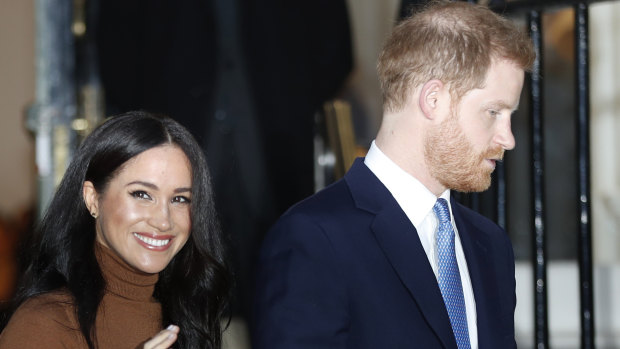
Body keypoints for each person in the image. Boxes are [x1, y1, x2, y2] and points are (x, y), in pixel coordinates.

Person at [252, 1, 535, 348]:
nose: (508, 138)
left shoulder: (490, 244)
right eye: (493, 112)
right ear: (433, 100)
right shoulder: (313, 237)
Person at [0, 111, 231, 348]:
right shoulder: (44, 324)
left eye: (180, 199)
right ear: (92, 198)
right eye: (142, 194)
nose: (164, 221)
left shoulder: (191, 317)